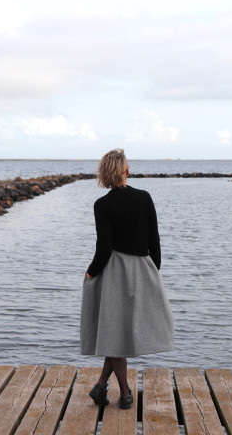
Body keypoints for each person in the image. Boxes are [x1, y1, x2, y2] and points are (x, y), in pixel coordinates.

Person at [80, 148, 174, 410]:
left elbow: (104, 248)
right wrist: (151, 274)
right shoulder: (144, 198)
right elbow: (154, 243)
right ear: (126, 171)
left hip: (114, 274)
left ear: (104, 174)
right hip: (142, 269)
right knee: (117, 334)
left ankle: (123, 391)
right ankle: (104, 388)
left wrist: (90, 272)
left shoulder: (102, 205)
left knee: (113, 332)